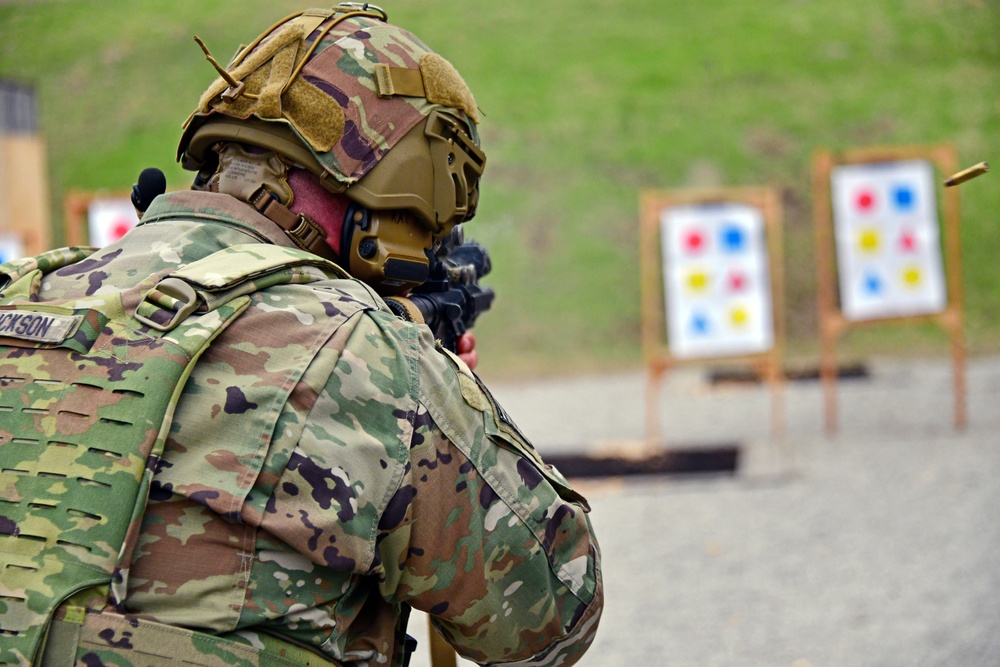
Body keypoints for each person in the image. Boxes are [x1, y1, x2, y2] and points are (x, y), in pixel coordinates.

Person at [0, 4, 602, 667]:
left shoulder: (23, 291)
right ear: (403, 184)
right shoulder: (364, 350)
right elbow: (555, 611)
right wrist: (443, 386)